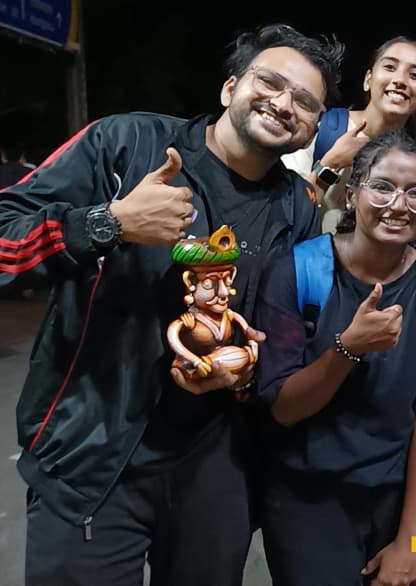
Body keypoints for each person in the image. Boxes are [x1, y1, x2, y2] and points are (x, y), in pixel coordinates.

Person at [0, 23, 342, 586]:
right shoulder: (126, 144)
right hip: (91, 459)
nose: (284, 104)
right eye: (270, 83)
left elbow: (281, 332)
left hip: (215, 468)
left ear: (312, 126)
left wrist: (245, 369)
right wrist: (109, 223)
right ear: (230, 88)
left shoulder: (297, 210)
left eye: (305, 102)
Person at [255, 131, 416, 586]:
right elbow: (284, 409)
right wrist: (348, 348)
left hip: (409, 499)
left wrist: (412, 543)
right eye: (383, 187)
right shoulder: (296, 271)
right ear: (353, 193)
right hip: (307, 498)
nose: (398, 205)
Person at [283, 36, 416, 233]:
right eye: (389, 67)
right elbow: (285, 212)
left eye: (414, 75)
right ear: (368, 80)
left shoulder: (413, 162)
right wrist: (332, 163)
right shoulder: (321, 129)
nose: (400, 80)